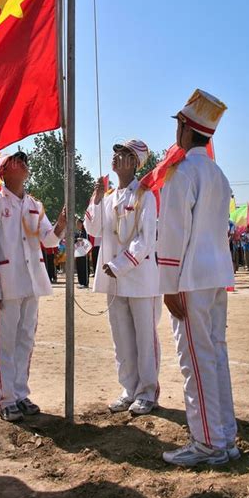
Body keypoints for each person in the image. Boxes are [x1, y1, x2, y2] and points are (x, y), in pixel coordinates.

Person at [157, 89, 237, 467]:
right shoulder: (218, 174)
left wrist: (168, 285)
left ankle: (207, 443)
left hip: (189, 278)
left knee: (195, 362)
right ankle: (224, 435)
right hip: (216, 275)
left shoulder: (183, 173)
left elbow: (173, 232)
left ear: (186, 130)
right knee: (216, 356)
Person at [0, 150, 66, 422]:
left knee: (25, 339)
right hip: (6, 284)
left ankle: (19, 392)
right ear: (3, 171)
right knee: (3, 342)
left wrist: (61, 225)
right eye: (15, 161)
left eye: (24, 160)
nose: (23, 164)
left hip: (31, 282)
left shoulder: (34, 204)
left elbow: (49, 241)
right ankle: (4, 397)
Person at [85, 139, 161, 417]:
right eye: (117, 153)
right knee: (122, 338)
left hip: (139, 278)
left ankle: (147, 391)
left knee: (145, 337)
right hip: (114, 279)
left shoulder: (145, 195)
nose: (117, 157)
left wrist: (119, 264)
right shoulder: (107, 197)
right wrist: (94, 200)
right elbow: (94, 229)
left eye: (125, 154)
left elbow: (145, 239)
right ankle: (129, 389)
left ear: (135, 163)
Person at [75, 218, 90, 288]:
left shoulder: (85, 232)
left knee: (84, 267)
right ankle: (81, 282)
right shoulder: (79, 233)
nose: (76, 225)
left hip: (84, 252)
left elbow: (86, 241)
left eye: (78, 223)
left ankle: (85, 282)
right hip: (78, 252)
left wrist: (79, 240)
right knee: (79, 267)